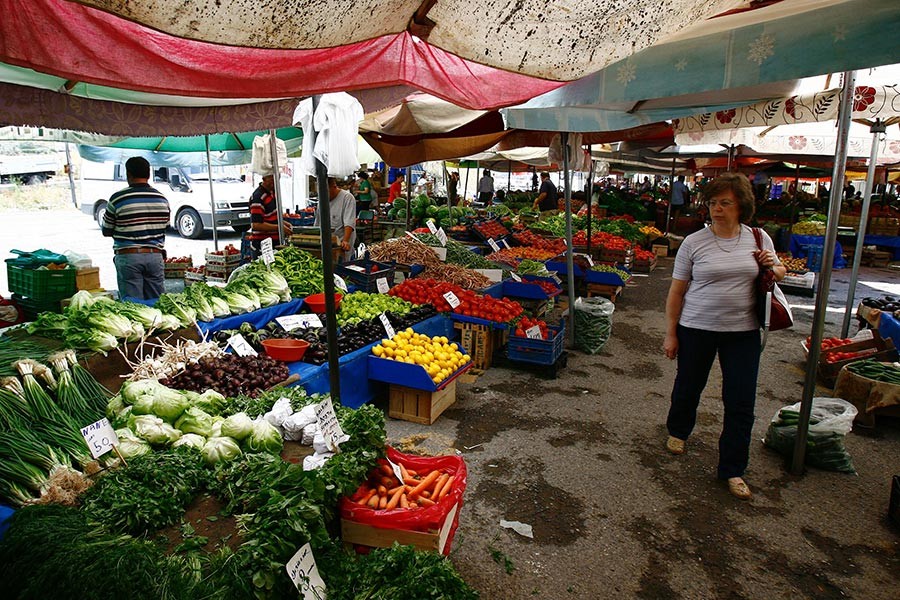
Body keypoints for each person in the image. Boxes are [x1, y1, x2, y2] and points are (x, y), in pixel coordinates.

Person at [662, 172, 786, 501]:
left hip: (743, 332)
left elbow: (780, 271)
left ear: (741, 205)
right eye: (713, 202)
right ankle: (678, 431)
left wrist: (772, 265)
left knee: (741, 401)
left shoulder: (759, 239)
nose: (717, 208)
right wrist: (671, 333)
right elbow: (677, 292)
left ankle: (733, 468)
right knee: (688, 386)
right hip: (696, 327)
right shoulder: (694, 242)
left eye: (725, 203)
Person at [101, 157, 170, 300]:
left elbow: (106, 230)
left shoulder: (118, 198)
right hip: (155, 256)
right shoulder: (162, 199)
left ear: (129, 174)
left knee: (134, 306)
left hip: (129, 257)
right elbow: (165, 227)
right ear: (149, 175)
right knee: (158, 303)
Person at [315, 177, 356, 262]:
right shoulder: (321, 202)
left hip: (341, 245)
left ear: (334, 186)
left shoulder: (347, 198)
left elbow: (349, 223)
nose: (323, 196)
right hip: (326, 245)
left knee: (341, 269)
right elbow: (317, 224)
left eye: (326, 192)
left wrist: (345, 241)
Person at [248, 173, 292, 252]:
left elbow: (272, 217)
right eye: (271, 179)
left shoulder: (273, 193)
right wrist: (279, 227)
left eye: (276, 179)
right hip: (263, 246)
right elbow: (256, 225)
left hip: (274, 244)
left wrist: (283, 223)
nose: (274, 182)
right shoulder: (258, 197)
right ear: (264, 178)